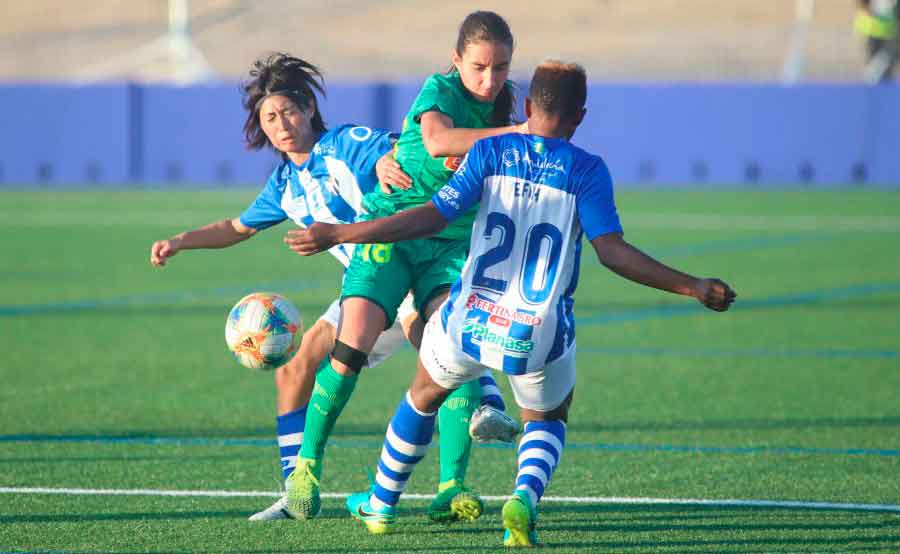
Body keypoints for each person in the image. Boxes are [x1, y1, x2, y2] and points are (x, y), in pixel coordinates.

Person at [285, 60, 737, 545]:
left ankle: (379, 504)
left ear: (526, 107)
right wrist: (691, 286)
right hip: (537, 331)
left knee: (423, 393)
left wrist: (344, 232)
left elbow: (429, 217)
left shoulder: (491, 152)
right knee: (547, 418)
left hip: (471, 318)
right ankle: (522, 497)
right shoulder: (587, 170)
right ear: (580, 116)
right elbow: (613, 253)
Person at [148, 52, 513, 522]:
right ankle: (297, 488)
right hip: (366, 279)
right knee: (295, 369)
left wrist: (386, 160)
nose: (283, 123)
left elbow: (404, 146)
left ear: (310, 110)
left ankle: (480, 413)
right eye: (271, 117)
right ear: (261, 128)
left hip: (398, 256)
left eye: (290, 111)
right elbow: (235, 227)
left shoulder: (345, 143)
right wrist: (180, 241)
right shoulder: (284, 185)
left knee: (436, 355)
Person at [279, 10, 529, 524]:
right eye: (479, 67)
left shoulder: (501, 108)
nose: (489, 80)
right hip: (391, 232)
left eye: (501, 68)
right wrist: (521, 132)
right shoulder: (439, 90)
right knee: (351, 349)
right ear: (456, 60)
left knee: (450, 352)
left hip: (448, 248)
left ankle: (450, 488)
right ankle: (306, 466)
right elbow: (437, 141)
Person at [855, 0, 899, 82]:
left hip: (890, 30)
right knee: (874, 59)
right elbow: (863, 6)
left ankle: (884, 77)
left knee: (887, 59)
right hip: (873, 30)